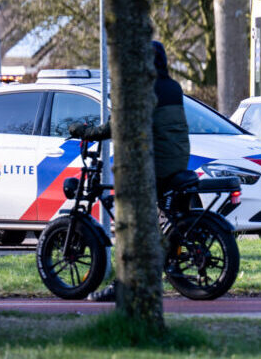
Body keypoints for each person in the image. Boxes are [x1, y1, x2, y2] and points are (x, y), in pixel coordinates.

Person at [71, 40, 191, 301]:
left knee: (131, 221)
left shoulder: (141, 89)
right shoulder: (173, 87)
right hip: (178, 159)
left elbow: (116, 126)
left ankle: (124, 282)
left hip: (158, 163)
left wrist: (85, 132)